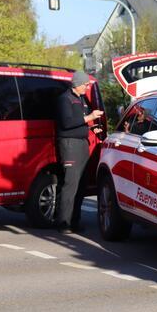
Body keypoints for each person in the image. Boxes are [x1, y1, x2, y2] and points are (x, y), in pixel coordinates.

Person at [55, 71, 103, 233]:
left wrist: (92, 127)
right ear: (77, 83)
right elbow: (67, 122)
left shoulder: (81, 99)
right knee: (70, 184)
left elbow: (80, 121)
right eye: (85, 84)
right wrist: (89, 117)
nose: (87, 87)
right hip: (69, 145)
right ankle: (63, 223)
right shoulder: (64, 99)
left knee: (81, 184)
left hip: (82, 144)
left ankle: (75, 221)